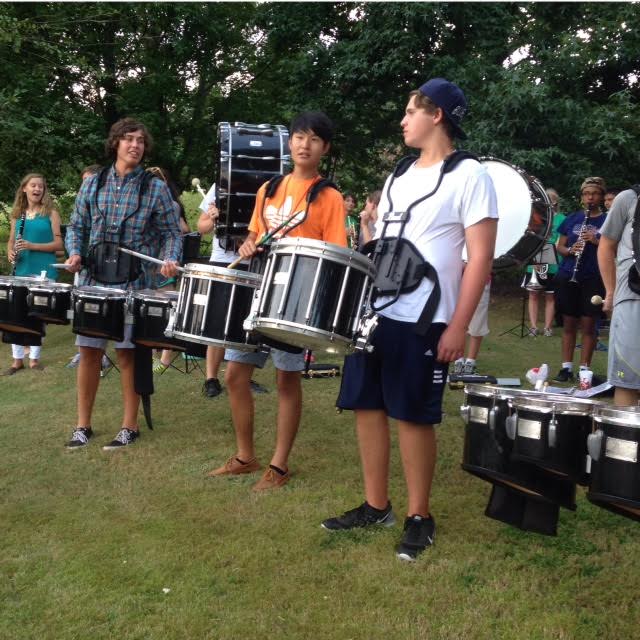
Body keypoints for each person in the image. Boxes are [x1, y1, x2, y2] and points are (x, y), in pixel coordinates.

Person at [322, 78, 498, 561]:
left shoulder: (471, 176)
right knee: (367, 406)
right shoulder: (399, 173)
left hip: (428, 318)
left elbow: (479, 258)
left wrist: (458, 326)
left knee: (412, 416)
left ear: (436, 114)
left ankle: (419, 515)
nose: (402, 120)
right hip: (379, 311)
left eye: (409, 111)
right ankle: (376, 504)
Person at [207, 110, 347, 490]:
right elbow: (255, 235)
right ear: (290, 142)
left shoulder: (329, 196)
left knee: (287, 379)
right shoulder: (267, 189)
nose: (305, 144)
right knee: (235, 375)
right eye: (300, 136)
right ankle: (244, 456)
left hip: (297, 297)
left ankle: (280, 465)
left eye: (314, 139)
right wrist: (249, 243)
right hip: (258, 289)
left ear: (324, 148)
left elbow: (336, 253)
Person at [64, 117, 182, 450]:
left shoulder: (154, 187)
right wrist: (75, 252)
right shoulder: (94, 183)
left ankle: (129, 426)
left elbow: (172, 233)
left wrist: (170, 259)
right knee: (88, 352)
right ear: (115, 142)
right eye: (129, 139)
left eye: (141, 141)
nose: (135, 145)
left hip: (136, 282)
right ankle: (82, 425)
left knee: (129, 354)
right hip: (94, 280)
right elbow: (76, 226)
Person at [195, 186, 267, 398]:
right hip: (222, 261)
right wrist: (213, 217)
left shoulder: (266, 185)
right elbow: (201, 227)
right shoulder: (219, 187)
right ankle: (211, 378)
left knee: (247, 319)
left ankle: (242, 373)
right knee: (218, 319)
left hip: (253, 260)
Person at [2, 173, 64, 375]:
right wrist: (10, 252)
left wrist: (32, 246)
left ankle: (34, 359)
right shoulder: (17, 214)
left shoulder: (51, 213)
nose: (38, 189)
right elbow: (11, 241)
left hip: (44, 271)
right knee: (15, 315)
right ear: (24, 189)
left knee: (38, 315)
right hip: (21, 270)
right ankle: (17, 360)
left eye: (41, 186)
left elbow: (59, 245)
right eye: (34, 185)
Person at [552, 177, 607, 382]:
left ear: (601, 196)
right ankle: (566, 367)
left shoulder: (606, 220)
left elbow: (614, 248)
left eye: (594, 193)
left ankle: (585, 369)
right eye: (586, 193)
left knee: (588, 323)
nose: (590, 197)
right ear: (582, 197)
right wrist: (569, 251)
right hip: (568, 274)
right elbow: (560, 246)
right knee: (568, 322)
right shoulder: (573, 218)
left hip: (592, 276)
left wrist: (596, 241)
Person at [145, 166, 191, 374]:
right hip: (150, 261)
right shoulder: (144, 203)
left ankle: (164, 357)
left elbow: (181, 230)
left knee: (168, 307)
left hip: (165, 260)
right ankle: (152, 352)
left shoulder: (170, 205)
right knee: (152, 307)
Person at [598, 186, 640, 406]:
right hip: (632, 297)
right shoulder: (629, 198)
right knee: (629, 380)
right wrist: (611, 290)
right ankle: (625, 440)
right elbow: (605, 245)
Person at [525, 188, 565, 337]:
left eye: (549, 200)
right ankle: (534, 326)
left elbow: (561, 240)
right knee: (534, 294)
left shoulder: (562, 219)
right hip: (537, 261)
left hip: (554, 261)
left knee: (550, 296)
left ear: (554, 202)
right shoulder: (536, 218)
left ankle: (548, 327)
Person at [453, 276, 491, 375]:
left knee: (478, 321)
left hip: (480, 278)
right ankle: (458, 361)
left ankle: (470, 362)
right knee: (458, 321)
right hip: (457, 278)